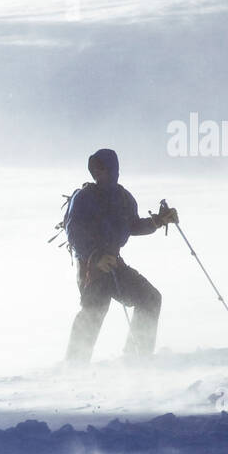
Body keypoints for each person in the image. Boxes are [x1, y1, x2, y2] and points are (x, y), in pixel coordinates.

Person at [64, 148, 178, 364]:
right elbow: (74, 232)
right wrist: (95, 256)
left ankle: (137, 357)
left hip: (114, 262)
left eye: (103, 169)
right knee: (94, 310)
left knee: (150, 298)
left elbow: (133, 225)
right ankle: (74, 365)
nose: (99, 173)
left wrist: (159, 221)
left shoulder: (123, 198)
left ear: (113, 170)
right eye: (96, 169)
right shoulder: (83, 198)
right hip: (91, 267)